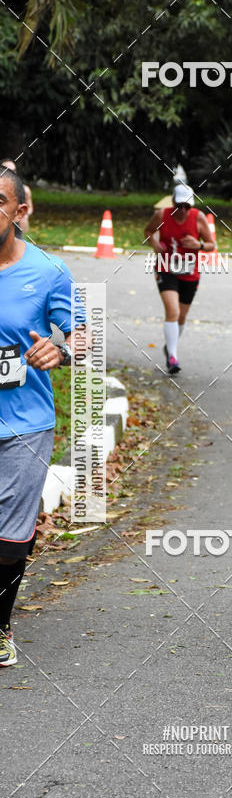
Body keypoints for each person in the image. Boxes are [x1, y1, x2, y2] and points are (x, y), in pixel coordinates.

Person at [0, 167, 81, 667]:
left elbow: (82, 336)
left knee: (10, 536)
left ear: (18, 210)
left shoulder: (49, 272)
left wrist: (62, 351)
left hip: (24, 420)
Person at [144, 183, 215, 374]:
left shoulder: (198, 218)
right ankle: (173, 357)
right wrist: (155, 244)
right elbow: (148, 231)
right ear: (173, 202)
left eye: (187, 206)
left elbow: (211, 245)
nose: (183, 210)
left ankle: (170, 346)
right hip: (166, 268)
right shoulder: (161, 215)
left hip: (190, 272)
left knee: (182, 317)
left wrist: (198, 245)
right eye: (179, 205)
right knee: (173, 312)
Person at [0, 159, 34, 237]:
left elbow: (30, 208)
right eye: (7, 170)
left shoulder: (24, 190)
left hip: (16, 223)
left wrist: (25, 214)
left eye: (13, 171)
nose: (11, 174)